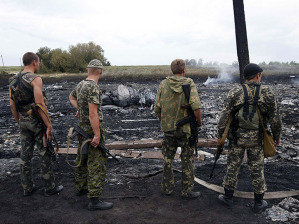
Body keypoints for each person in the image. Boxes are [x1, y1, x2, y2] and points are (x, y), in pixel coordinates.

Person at [217, 63, 282, 212]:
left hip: (236, 137)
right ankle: (258, 203)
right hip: (257, 139)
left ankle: (228, 198)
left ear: (244, 77)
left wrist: (220, 136)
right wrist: (276, 136)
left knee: (232, 166)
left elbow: (224, 117)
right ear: (258, 75)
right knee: (257, 168)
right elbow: (275, 119)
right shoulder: (268, 92)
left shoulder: (234, 92)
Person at [9, 52, 63, 197]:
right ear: (34, 62)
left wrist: (19, 123)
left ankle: (27, 187)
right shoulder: (35, 79)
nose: (38, 65)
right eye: (38, 62)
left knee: (25, 156)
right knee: (44, 152)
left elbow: (13, 106)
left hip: (24, 121)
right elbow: (40, 104)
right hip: (37, 122)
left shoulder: (13, 81)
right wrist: (49, 125)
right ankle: (49, 187)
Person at [154, 59, 202, 200]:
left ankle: (167, 188)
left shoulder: (163, 84)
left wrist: (165, 122)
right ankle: (187, 191)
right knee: (187, 160)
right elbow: (196, 106)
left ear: (172, 70)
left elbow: (157, 108)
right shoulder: (189, 83)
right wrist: (198, 122)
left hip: (168, 130)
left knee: (167, 159)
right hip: (185, 130)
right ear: (184, 70)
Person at [69, 59, 113, 211]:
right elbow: (93, 113)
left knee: (82, 158)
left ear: (88, 70)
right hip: (91, 128)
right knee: (96, 162)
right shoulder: (93, 87)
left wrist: (80, 110)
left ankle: (80, 187)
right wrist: (97, 134)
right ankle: (94, 199)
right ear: (101, 71)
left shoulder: (81, 84)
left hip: (81, 128)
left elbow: (71, 97)